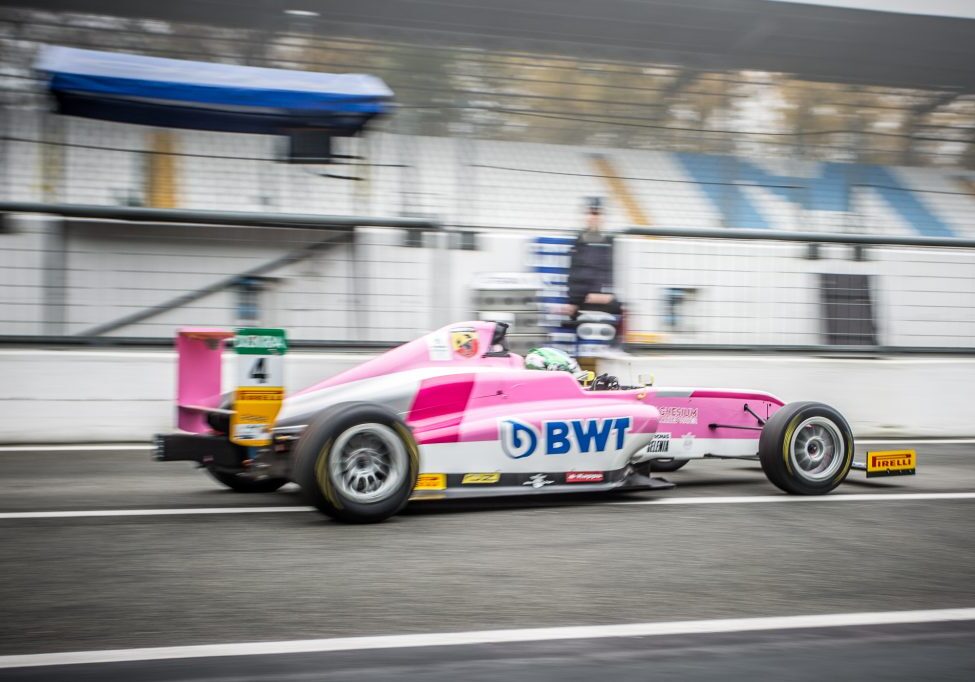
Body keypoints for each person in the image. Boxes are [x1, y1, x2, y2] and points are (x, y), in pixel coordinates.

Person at [566, 197, 623, 319]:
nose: (594, 217)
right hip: (584, 299)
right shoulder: (578, 242)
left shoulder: (609, 242)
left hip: (602, 297)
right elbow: (575, 272)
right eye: (591, 213)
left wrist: (605, 293)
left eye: (597, 213)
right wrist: (576, 300)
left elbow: (609, 271)